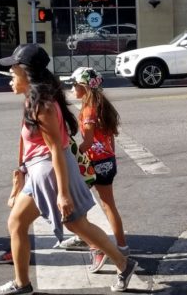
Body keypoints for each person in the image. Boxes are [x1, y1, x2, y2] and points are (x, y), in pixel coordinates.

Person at [0, 44, 137, 295]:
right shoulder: (35, 99)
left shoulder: (43, 105)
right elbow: (28, 142)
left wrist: (63, 193)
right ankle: (22, 283)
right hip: (41, 171)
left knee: (73, 224)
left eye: (13, 72)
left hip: (50, 172)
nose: (10, 78)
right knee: (31, 223)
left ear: (27, 73)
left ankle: (122, 262)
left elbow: (56, 148)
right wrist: (21, 173)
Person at [64, 67, 129, 273]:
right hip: (108, 161)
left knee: (75, 203)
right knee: (109, 205)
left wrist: (71, 155)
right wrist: (111, 159)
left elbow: (89, 142)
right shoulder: (102, 105)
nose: (72, 89)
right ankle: (121, 246)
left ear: (83, 87)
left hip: (95, 163)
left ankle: (94, 244)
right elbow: (110, 138)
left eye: (74, 85)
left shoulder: (89, 110)